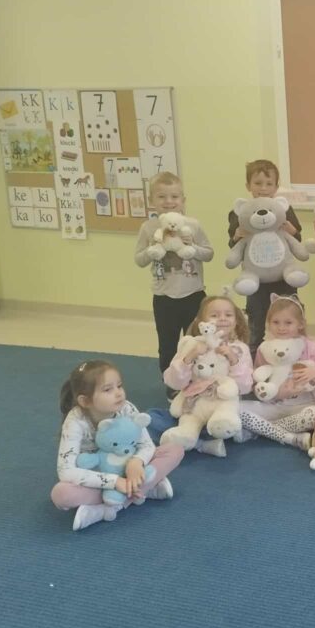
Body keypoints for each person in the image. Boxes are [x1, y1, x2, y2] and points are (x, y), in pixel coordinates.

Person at [52, 360, 183, 531]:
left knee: (175, 450)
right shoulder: (75, 421)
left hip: (127, 468)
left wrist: (136, 463)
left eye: (119, 386)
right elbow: (66, 471)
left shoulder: (126, 408)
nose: (119, 393)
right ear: (85, 401)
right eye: (108, 390)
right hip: (98, 475)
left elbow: (146, 445)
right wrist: (114, 482)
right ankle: (143, 490)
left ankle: (108, 507)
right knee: (61, 494)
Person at [133, 172, 214, 386]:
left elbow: (209, 254)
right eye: (161, 197)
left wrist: (192, 247)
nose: (169, 201)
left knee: (197, 342)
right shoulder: (148, 228)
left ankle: (197, 381)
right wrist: (152, 250)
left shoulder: (193, 225)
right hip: (164, 297)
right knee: (167, 345)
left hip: (194, 294)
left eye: (174, 196)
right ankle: (171, 384)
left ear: (183, 200)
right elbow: (139, 260)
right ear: (151, 201)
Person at [161, 294, 254, 457]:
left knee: (237, 419)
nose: (222, 319)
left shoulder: (240, 349)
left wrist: (233, 359)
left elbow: (245, 387)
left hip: (223, 406)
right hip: (194, 406)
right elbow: (173, 382)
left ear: (236, 321)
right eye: (214, 315)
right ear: (201, 322)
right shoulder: (192, 344)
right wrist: (189, 357)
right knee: (156, 418)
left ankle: (206, 437)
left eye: (228, 315)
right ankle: (202, 442)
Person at [227, 159, 303, 353]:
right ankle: (252, 361)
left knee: (288, 319)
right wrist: (237, 235)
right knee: (256, 324)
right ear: (248, 185)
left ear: (276, 187)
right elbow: (233, 245)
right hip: (256, 281)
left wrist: (292, 230)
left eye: (269, 184)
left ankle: (292, 357)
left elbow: (297, 239)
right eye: (258, 183)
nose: (263, 188)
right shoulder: (241, 212)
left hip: (283, 278)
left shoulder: (283, 209)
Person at [237, 294, 315, 448]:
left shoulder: (313, 348)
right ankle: (289, 437)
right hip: (276, 405)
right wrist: (276, 393)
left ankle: (261, 430)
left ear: (300, 324)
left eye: (288, 323)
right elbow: (259, 383)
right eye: (276, 322)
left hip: (305, 407)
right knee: (235, 409)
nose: (281, 328)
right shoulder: (265, 349)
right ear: (269, 323)